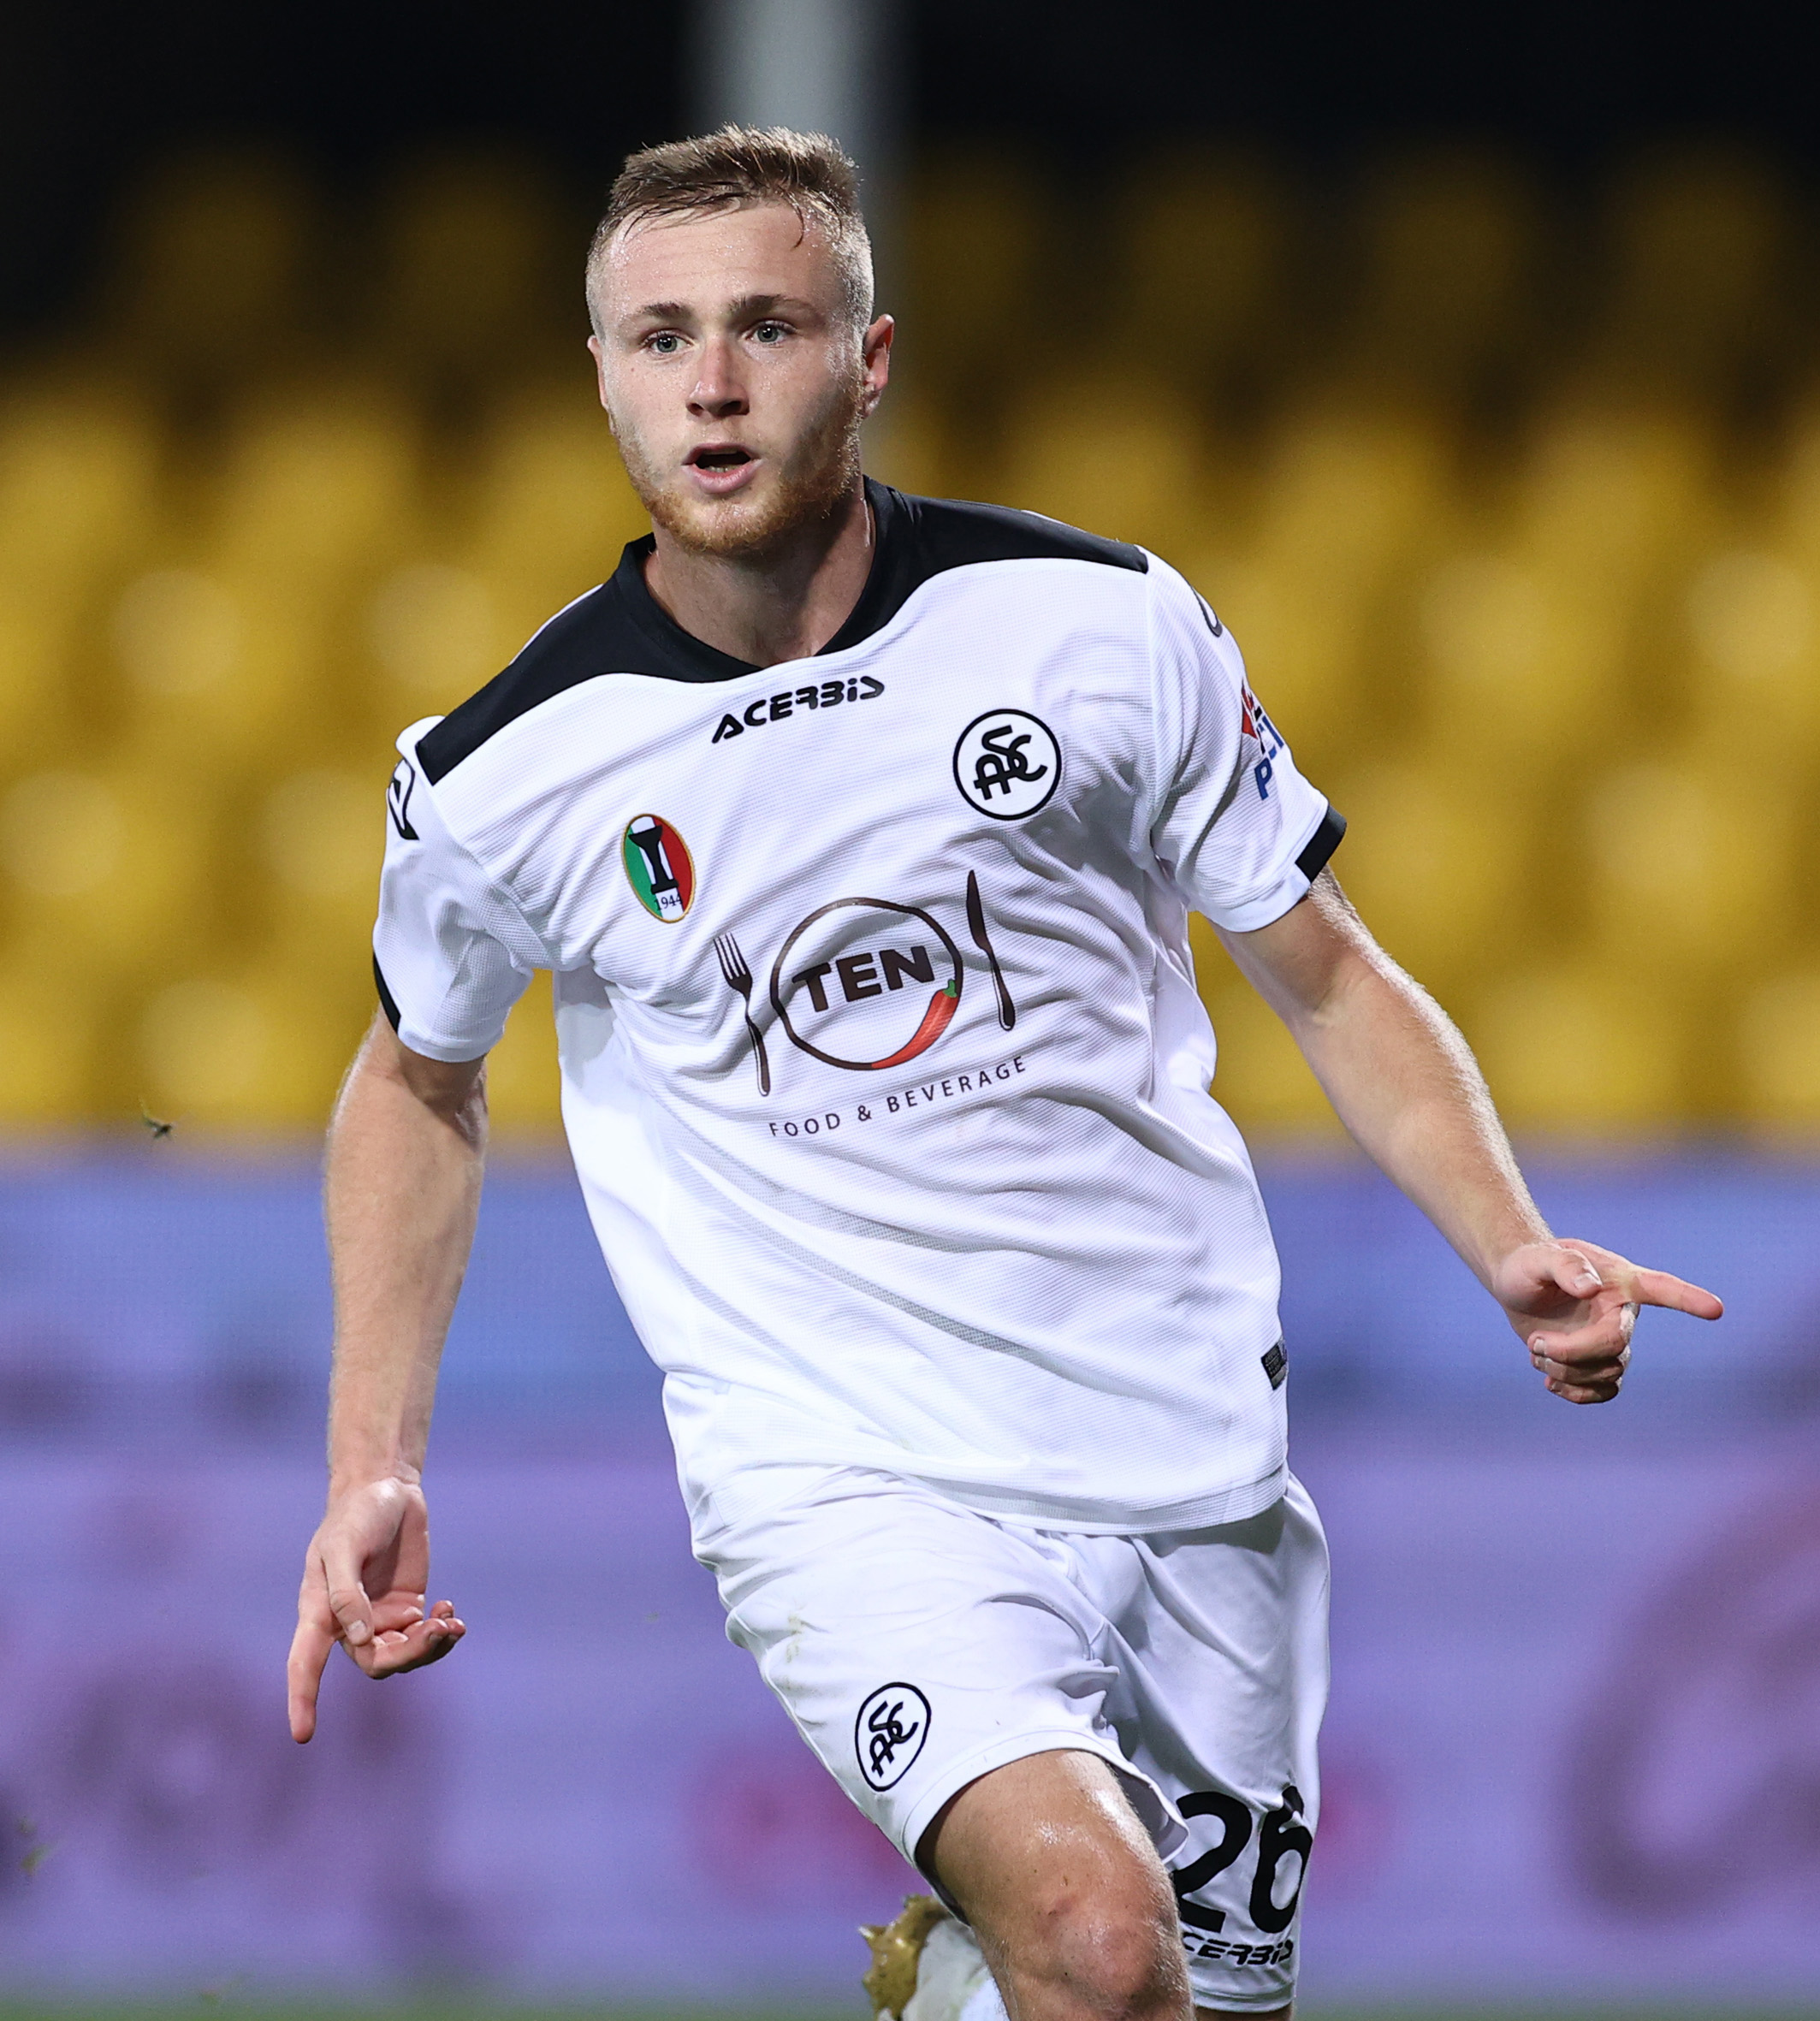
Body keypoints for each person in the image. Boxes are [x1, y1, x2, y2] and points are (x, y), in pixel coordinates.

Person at [286, 127, 1722, 2021]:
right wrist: (372, 1459)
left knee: (1166, 1999)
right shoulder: (504, 771)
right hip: (846, 1474)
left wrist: (1506, 1236)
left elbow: (1325, 968)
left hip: (1190, 1456)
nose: (712, 384)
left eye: (768, 326)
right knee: (1101, 1941)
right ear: (603, 378)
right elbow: (417, 1080)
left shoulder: (1097, 625)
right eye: (659, 338)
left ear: (868, 357)